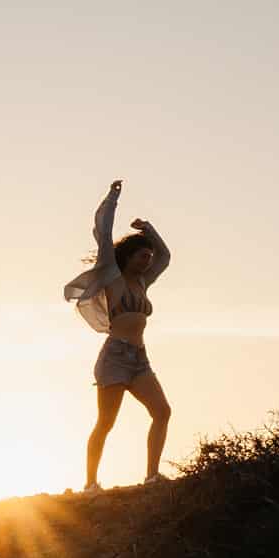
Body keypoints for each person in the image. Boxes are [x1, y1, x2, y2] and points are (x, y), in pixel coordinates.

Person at [63, 178, 172, 492]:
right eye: (142, 256)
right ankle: (90, 482)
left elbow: (166, 257)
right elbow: (104, 232)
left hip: (139, 359)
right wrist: (113, 197)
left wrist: (149, 229)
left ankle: (152, 474)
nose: (147, 261)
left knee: (162, 412)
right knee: (106, 423)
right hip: (115, 357)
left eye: (148, 258)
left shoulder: (143, 282)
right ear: (128, 257)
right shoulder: (113, 276)